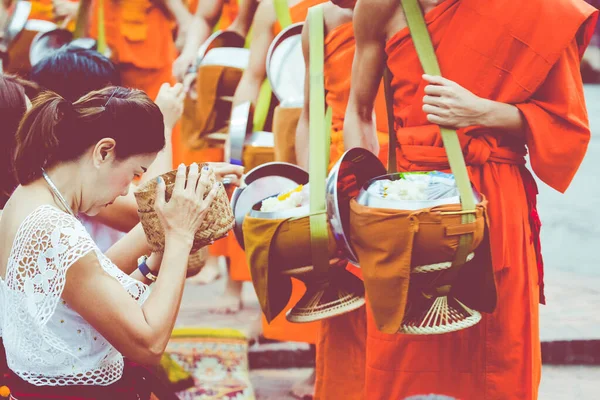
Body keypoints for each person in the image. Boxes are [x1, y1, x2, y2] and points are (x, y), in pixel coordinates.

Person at [344, 0, 598, 398]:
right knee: (401, 359)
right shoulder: (380, 6)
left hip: (495, 200)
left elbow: (566, 127)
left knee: (497, 356)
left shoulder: (539, 11)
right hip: (408, 206)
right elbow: (359, 111)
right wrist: (363, 209)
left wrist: (483, 112)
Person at [0, 86, 220, 398]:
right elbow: (149, 343)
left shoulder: (29, 196)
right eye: (134, 173)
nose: (125, 191)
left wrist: (157, 255)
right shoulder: (52, 227)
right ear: (104, 151)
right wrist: (180, 236)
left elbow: (82, 291)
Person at [294, 1, 388, 398]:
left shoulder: (409, 12)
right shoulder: (317, 23)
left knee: (392, 304)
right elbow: (309, 116)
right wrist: (311, 192)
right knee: (345, 306)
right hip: (336, 177)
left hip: (398, 168)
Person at [173, 0, 258, 81]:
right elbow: (204, 18)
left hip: (261, 70)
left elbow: (240, 28)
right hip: (230, 63)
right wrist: (190, 52)